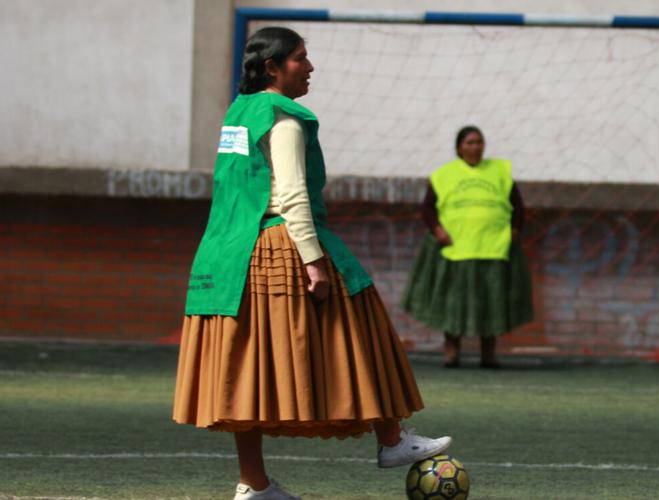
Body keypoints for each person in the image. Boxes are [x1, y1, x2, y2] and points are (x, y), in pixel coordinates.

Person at [173, 27, 450, 500]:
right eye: (300, 58)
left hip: (226, 251)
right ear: (272, 68)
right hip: (278, 243)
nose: (311, 66)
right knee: (359, 329)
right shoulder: (283, 118)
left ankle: (254, 484)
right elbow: (291, 194)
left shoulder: (239, 113)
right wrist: (314, 262)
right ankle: (391, 440)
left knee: (248, 364)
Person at [403, 126, 534, 369]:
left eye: (479, 142)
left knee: (491, 302)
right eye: (470, 142)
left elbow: (518, 206)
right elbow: (428, 208)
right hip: (457, 249)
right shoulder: (444, 175)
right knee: (454, 302)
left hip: (493, 249)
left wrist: (515, 230)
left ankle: (489, 354)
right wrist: (438, 230)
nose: (475, 147)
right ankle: (452, 352)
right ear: (459, 147)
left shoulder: (500, 172)